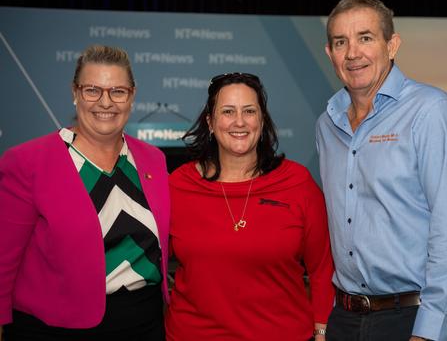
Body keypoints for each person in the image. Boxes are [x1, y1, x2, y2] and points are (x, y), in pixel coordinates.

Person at [316, 0, 447, 341]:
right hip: (345, 318)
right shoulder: (326, 126)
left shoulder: (431, 112)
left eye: (366, 38)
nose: (353, 52)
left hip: (412, 321)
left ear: (392, 45)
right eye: (341, 42)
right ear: (330, 54)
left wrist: (430, 331)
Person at [0, 45, 170, 340]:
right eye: (93, 90)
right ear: (75, 93)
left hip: (146, 324)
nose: (105, 102)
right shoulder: (28, 162)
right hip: (55, 330)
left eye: (118, 91)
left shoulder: (153, 159)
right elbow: (3, 261)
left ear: (132, 95)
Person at [165, 72, 335, 340]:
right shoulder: (178, 186)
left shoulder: (296, 182)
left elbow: (323, 267)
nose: (240, 122)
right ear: (210, 122)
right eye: (228, 111)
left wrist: (322, 329)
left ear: (262, 120)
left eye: (249, 111)